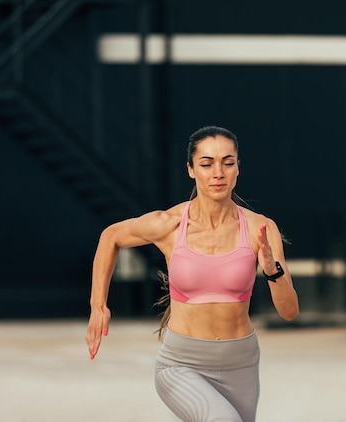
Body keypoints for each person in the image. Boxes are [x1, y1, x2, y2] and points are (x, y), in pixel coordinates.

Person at [85, 125, 299, 421]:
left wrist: (272, 270)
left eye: (228, 162)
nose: (218, 173)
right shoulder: (169, 224)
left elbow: (289, 312)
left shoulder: (259, 229)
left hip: (241, 364)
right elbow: (111, 237)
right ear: (190, 170)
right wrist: (98, 305)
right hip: (181, 364)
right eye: (207, 164)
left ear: (238, 168)